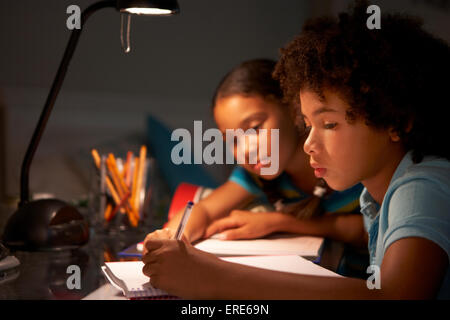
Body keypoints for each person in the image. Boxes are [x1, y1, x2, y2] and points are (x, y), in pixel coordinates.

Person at [142, 1, 449, 298]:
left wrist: (211, 276)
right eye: (308, 123)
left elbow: (395, 296)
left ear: (396, 120)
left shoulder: (422, 185)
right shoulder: (377, 196)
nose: (308, 143)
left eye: (329, 124)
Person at [147, 58, 363, 247]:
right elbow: (204, 210)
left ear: (294, 108)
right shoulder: (257, 176)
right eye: (232, 140)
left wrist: (279, 222)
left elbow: (368, 229)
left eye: (254, 128)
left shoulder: (347, 160)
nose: (246, 150)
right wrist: (170, 237)